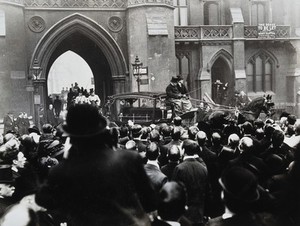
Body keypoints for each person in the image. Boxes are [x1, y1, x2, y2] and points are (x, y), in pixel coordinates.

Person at [35, 104, 157, 225]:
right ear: (101, 130)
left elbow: (43, 199)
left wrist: (67, 158)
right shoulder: (129, 159)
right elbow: (151, 202)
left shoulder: (61, 171)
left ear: (71, 137)